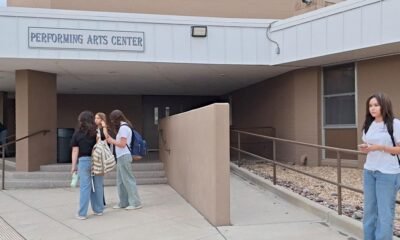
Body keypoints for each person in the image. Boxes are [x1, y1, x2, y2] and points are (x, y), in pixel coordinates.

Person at [359, 93, 400, 240]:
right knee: (369, 210)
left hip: (388, 173)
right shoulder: (368, 125)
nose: (372, 108)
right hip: (369, 171)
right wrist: (367, 147)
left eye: (376, 105)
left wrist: (380, 147)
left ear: (384, 105)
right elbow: (370, 145)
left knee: (385, 212)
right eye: (370, 105)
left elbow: (399, 149)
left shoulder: (395, 124)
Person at [71, 111, 104, 220]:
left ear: (81, 121)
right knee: (98, 185)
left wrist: (73, 166)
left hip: (84, 161)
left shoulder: (77, 133)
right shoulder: (96, 132)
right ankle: (98, 210)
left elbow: (75, 150)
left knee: (85, 187)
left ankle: (82, 213)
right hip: (97, 160)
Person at [106, 110, 142, 210]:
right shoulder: (124, 127)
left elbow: (122, 144)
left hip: (124, 156)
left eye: (113, 120)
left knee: (128, 180)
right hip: (121, 157)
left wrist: (111, 141)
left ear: (116, 119)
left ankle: (135, 203)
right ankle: (123, 202)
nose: (112, 122)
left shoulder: (124, 128)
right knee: (121, 181)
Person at [95, 112, 110, 207]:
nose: (95, 120)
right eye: (95, 118)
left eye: (97, 118)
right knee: (98, 180)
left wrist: (104, 127)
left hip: (101, 156)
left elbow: (107, 138)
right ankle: (100, 200)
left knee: (99, 180)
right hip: (96, 155)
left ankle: (102, 201)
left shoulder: (103, 129)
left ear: (102, 119)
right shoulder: (95, 129)